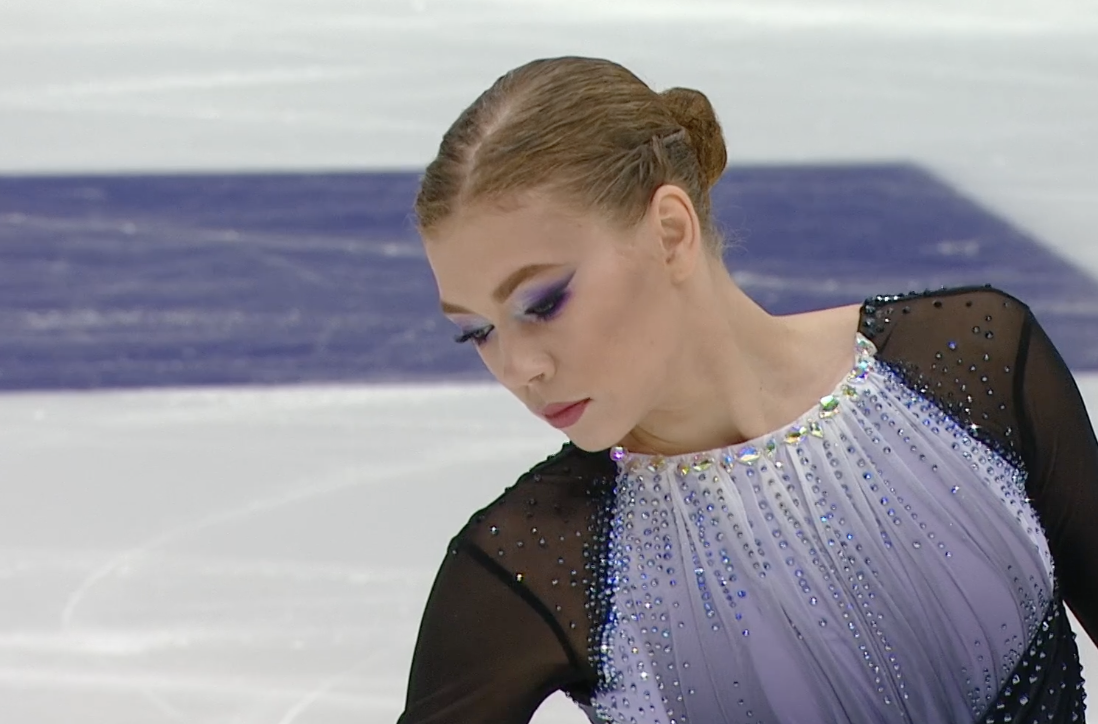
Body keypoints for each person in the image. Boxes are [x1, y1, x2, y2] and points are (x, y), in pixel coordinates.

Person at [396, 56, 1096, 724]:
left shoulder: (971, 366)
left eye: (542, 303)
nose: (518, 367)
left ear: (671, 232)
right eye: (476, 332)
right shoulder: (536, 559)